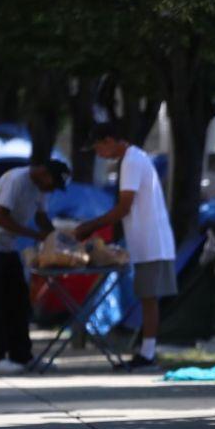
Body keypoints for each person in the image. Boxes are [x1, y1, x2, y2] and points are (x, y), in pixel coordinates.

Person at [75, 122, 176, 370]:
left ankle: (148, 354)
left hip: (151, 243)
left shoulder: (131, 161)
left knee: (148, 299)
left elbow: (124, 207)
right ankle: (146, 350)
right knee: (147, 298)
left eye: (99, 147)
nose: (99, 153)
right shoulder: (136, 157)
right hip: (149, 242)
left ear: (109, 140)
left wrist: (90, 226)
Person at [0, 160, 69, 374]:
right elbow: (1, 218)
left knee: (18, 300)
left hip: (6, 246)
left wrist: (55, 240)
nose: (51, 189)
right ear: (43, 172)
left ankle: (22, 355)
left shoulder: (40, 188)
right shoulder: (16, 180)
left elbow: (41, 217)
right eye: (53, 183)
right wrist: (34, 235)